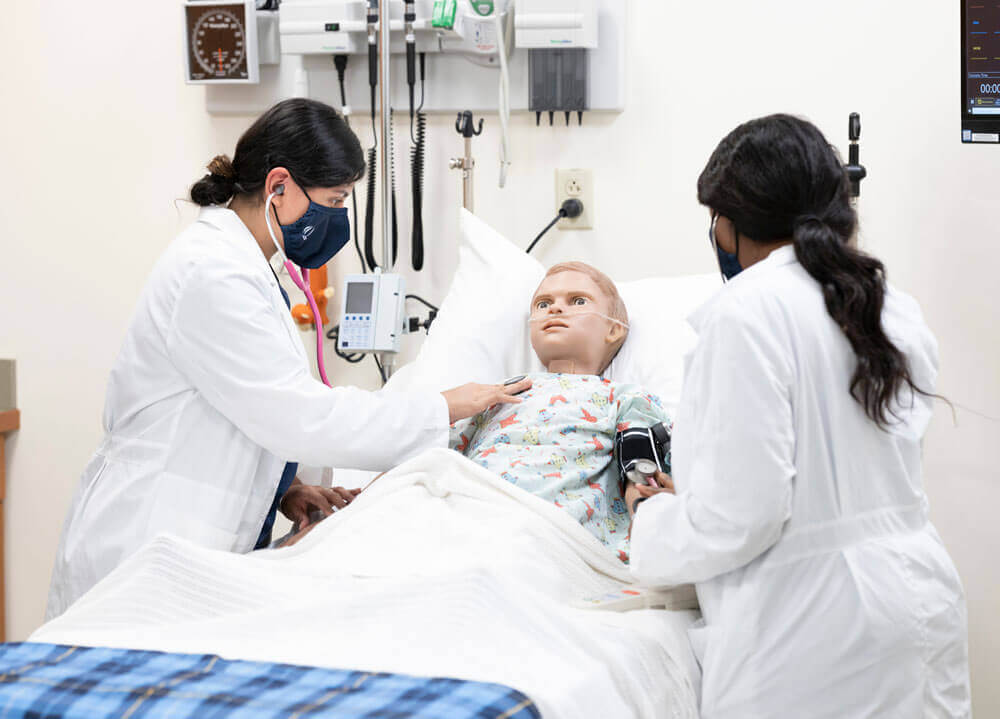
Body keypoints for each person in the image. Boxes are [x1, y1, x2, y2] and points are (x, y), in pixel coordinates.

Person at [47, 98, 530, 619]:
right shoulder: (212, 272)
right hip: (145, 545)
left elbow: (242, 406)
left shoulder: (246, 266)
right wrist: (440, 407)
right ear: (278, 187)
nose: (339, 217)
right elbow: (299, 418)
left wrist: (286, 487)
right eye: (335, 198)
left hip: (188, 543)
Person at [628, 114, 970, 717]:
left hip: (812, 631)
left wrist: (653, 518)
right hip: (916, 598)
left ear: (728, 225)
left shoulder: (743, 316)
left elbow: (741, 518)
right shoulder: (891, 308)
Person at [449, 262, 673, 562]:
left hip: (554, 528)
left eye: (577, 301)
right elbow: (437, 453)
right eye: (544, 304)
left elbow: (640, 465)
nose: (555, 309)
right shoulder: (498, 393)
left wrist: (645, 512)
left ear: (614, 329)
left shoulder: (623, 397)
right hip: (471, 511)